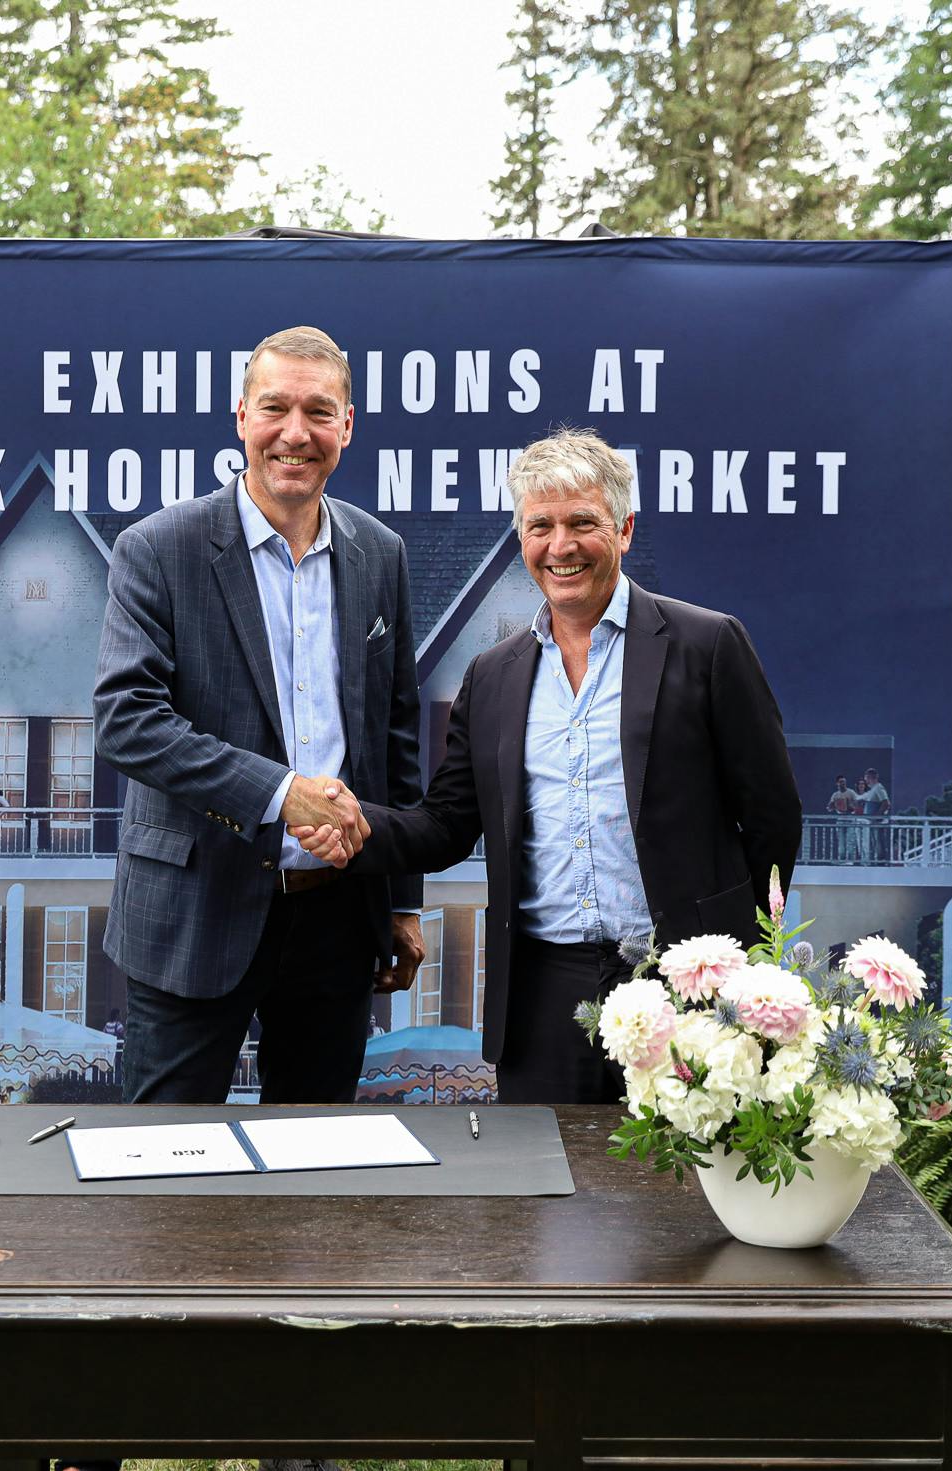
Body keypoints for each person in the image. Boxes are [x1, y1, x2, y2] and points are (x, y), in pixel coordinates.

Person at [295, 429, 802, 1105]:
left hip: (684, 984)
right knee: (547, 1202)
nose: (560, 546)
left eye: (582, 523)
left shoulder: (706, 645)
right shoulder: (492, 676)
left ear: (622, 529)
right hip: (540, 995)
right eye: (541, 526)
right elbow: (447, 824)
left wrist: (740, 957)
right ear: (522, 537)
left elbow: (772, 817)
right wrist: (360, 827)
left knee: (680, 1202)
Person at [93, 324, 426, 1108]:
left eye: (319, 411)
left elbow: (395, 737)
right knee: (164, 1177)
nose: (295, 432)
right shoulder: (158, 549)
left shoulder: (382, 554)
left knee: (314, 1188)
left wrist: (403, 901)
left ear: (347, 426)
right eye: (275, 407)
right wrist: (283, 795)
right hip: (191, 916)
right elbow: (127, 718)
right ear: (241, 416)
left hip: (338, 921)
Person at [856, 766, 891, 863]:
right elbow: (861, 797)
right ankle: (875, 860)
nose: (865, 781)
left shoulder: (878, 788)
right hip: (870, 823)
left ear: (870, 777)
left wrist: (876, 817)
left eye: (866, 778)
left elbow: (886, 803)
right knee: (874, 843)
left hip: (876, 823)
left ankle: (880, 861)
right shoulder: (872, 790)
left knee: (878, 842)